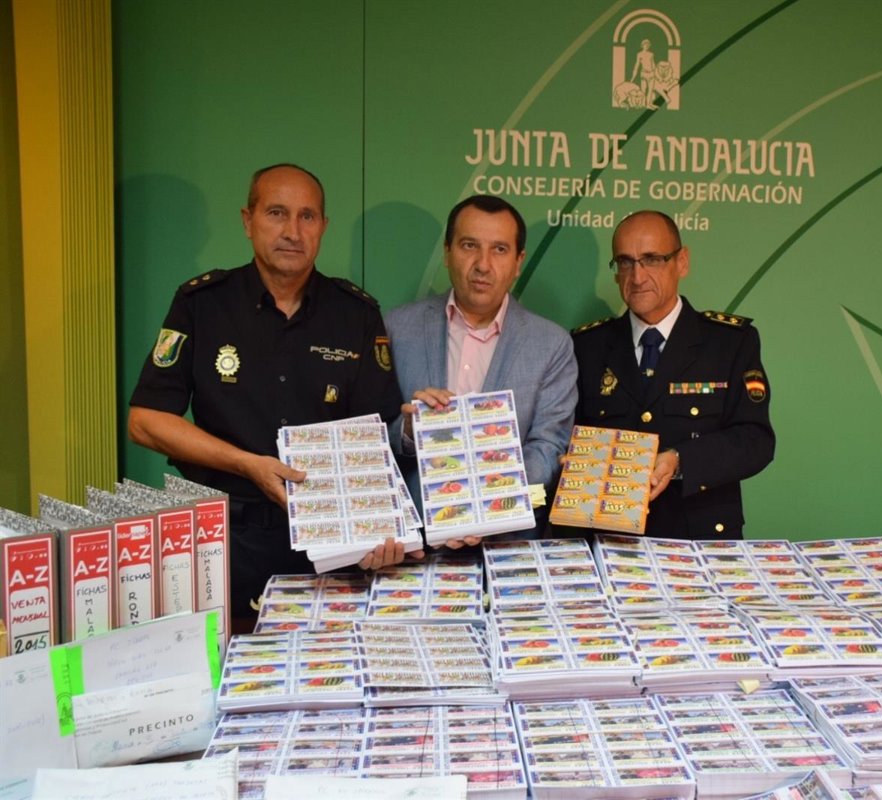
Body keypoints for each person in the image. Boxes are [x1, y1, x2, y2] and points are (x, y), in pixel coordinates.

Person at [128, 163, 417, 624]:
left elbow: (375, 436)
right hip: (226, 540)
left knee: (328, 664)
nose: (292, 231)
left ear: (323, 227)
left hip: (331, 546)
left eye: (307, 216)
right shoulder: (202, 304)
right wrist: (246, 463)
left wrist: (381, 531)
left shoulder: (356, 314)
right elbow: (146, 421)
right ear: (248, 221)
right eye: (277, 213)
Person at [384, 195, 577, 543]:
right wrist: (409, 430)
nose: (483, 265)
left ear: (518, 262)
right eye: (469, 245)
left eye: (499, 249)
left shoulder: (552, 344)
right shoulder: (397, 328)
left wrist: (483, 505)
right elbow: (373, 434)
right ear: (447, 252)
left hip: (508, 541)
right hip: (416, 542)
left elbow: (548, 447)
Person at [571, 210, 774, 540]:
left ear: (682, 262)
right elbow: (567, 438)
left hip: (699, 540)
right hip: (611, 538)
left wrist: (680, 460)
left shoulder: (730, 342)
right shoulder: (587, 346)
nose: (637, 276)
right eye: (625, 262)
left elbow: (755, 440)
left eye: (652, 259)